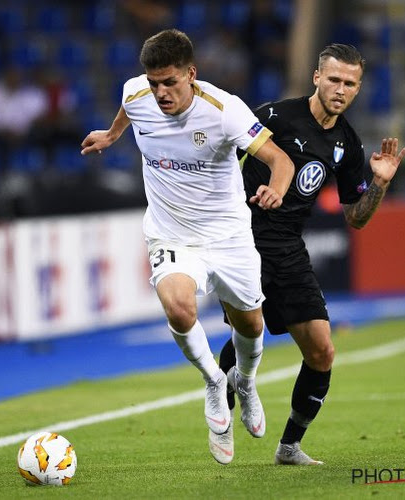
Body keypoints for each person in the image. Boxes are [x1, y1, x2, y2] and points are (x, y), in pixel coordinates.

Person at [81, 30, 294, 441]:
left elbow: (278, 159)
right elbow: (128, 109)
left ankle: (244, 383)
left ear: (191, 74)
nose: (160, 92)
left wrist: (277, 189)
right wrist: (111, 135)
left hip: (228, 235)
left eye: (169, 83)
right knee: (179, 308)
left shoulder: (224, 109)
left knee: (251, 325)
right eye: (154, 82)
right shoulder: (136, 93)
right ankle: (214, 382)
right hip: (171, 234)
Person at [209, 43, 405, 466]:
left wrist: (380, 183)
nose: (340, 89)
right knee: (249, 332)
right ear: (317, 77)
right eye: (333, 79)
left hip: (288, 247)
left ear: (357, 88)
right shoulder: (274, 116)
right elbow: (222, 153)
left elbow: (356, 217)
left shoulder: (347, 143)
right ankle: (219, 415)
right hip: (242, 238)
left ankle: (289, 446)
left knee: (322, 352)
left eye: (349, 83)